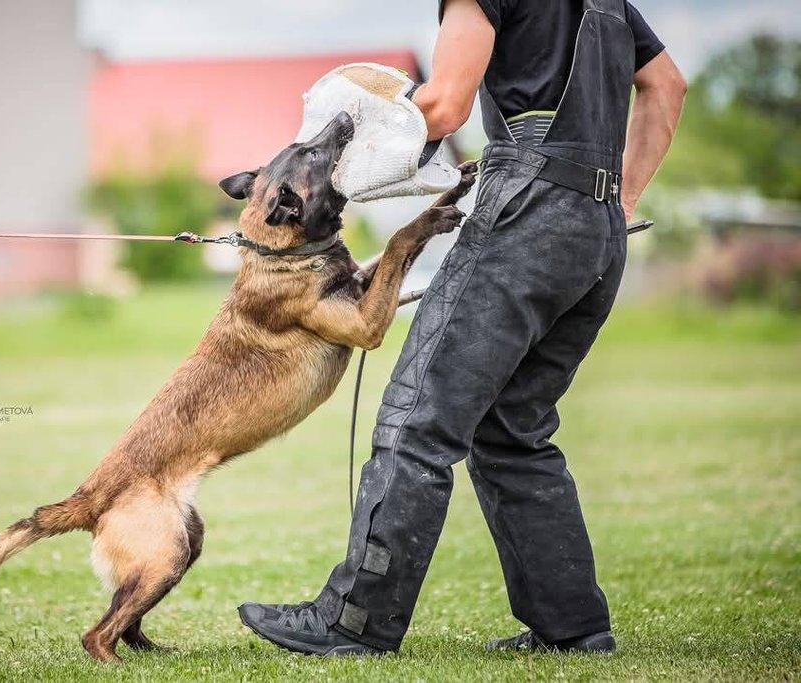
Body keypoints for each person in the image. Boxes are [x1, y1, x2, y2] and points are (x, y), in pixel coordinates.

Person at [238, 0, 687, 656]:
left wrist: (316, 164)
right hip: (596, 232)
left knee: (417, 419)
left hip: (527, 209)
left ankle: (353, 621)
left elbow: (445, 106)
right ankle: (573, 627)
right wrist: (621, 200)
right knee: (514, 430)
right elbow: (666, 85)